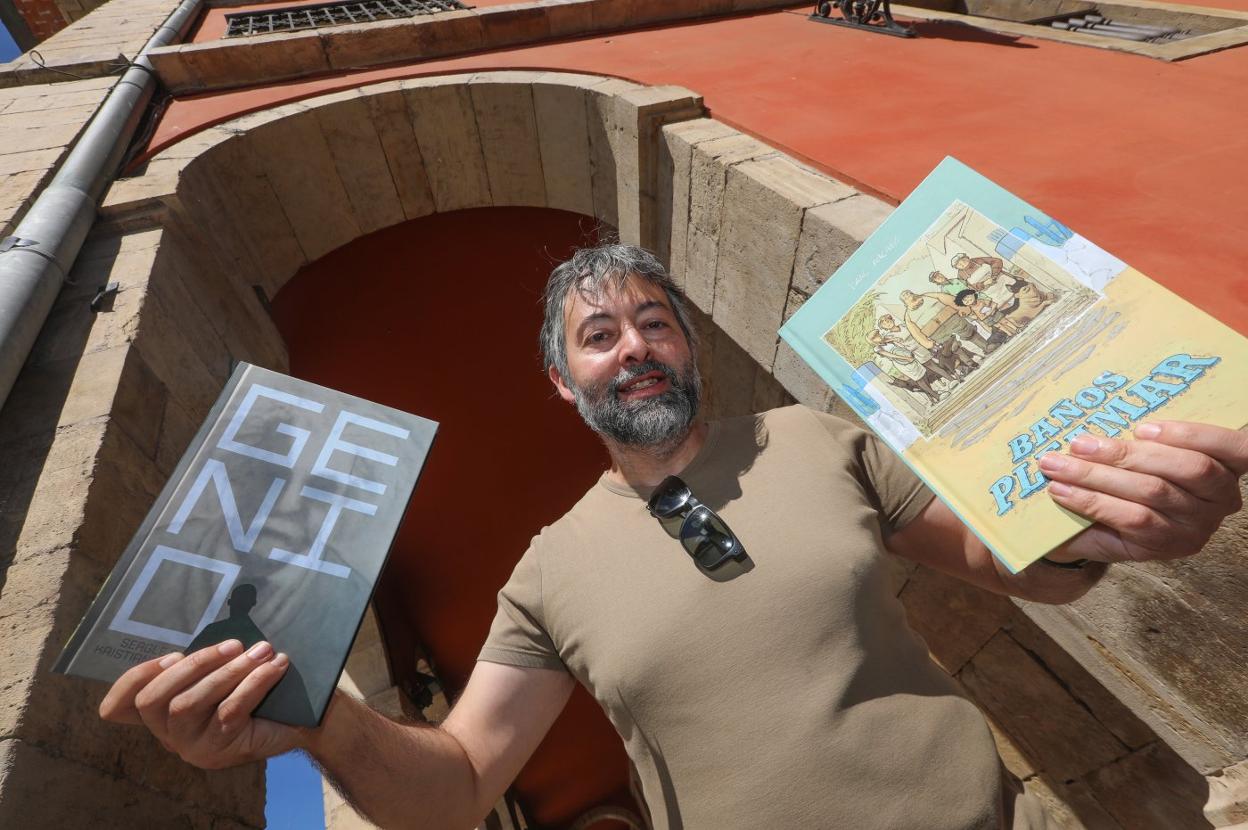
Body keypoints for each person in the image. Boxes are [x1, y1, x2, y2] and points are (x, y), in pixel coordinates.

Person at [101, 244, 1248, 830]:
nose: (634, 344)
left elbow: (1016, 563)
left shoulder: (817, 438)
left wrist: (1106, 522)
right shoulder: (544, 571)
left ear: (688, 345)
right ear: (563, 381)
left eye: (655, 320)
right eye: (599, 333)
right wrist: (323, 726)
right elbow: (456, 788)